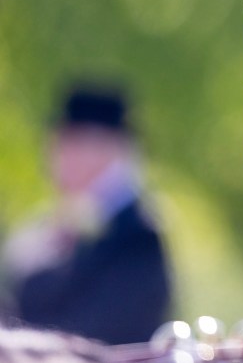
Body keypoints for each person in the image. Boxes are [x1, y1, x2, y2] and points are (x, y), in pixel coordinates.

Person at [1, 83, 171, 345]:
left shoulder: (138, 237)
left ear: (109, 148)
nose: (58, 154)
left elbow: (106, 332)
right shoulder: (45, 226)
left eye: (72, 142)